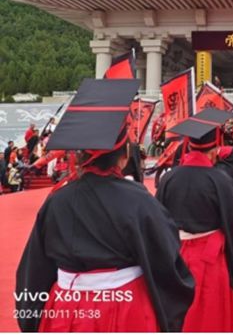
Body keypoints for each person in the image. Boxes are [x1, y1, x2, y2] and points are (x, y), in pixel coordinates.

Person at [16, 78, 195, 332]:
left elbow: (33, 271)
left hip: (65, 310)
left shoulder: (57, 200)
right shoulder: (140, 200)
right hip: (125, 308)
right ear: (123, 157)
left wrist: (31, 320)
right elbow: (166, 261)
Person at [157, 108, 233, 332]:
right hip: (211, 256)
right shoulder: (221, 180)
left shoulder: (169, 178)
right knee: (209, 310)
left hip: (176, 253)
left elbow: (158, 217)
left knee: (179, 308)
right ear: (216, 149)